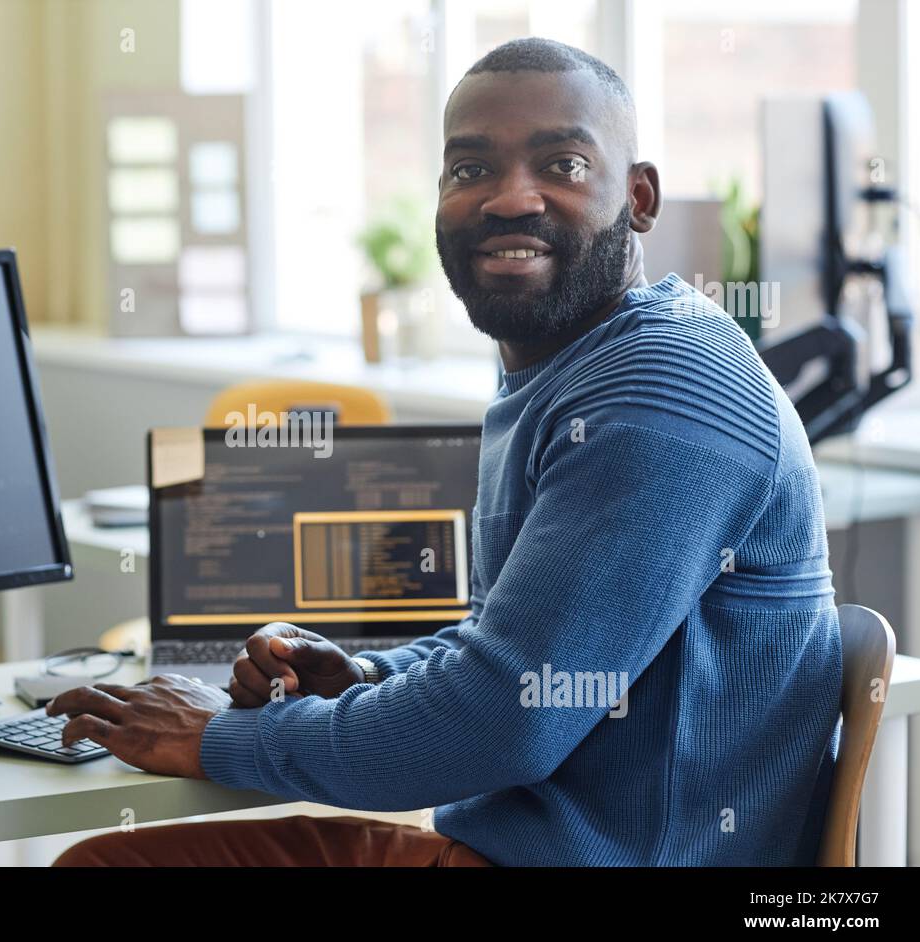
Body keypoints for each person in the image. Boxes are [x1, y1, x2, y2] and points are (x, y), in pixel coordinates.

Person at [49, 37, 842, 867]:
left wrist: (218, 738)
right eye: (470, 170)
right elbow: (507, 649)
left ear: (639, 198)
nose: (509, 199)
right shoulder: (578, 367)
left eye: (563, 164)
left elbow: (509, 720)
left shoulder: (661, 389)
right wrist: (364, 675)